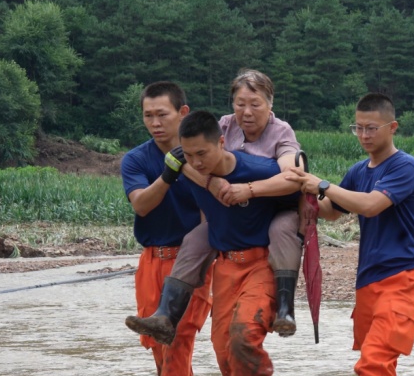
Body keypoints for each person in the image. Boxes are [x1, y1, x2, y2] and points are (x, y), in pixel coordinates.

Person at [289, 92, 414, 376]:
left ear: (392, 127)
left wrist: (323, 185)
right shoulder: (357, 171)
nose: (364, 135)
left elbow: (369, 206)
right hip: (368, 280)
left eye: (371, 128)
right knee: (380, 356)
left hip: (403, 276)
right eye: (358, 128)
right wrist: (305, 192)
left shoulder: (404, 166)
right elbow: (332, 210)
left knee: (375, 358)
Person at [126, 70, 305, 343]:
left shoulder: (281, 132)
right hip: (230, 210)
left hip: (272, 205)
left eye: (255, 104)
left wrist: (248, 189)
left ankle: (285, 310)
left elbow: (292, 176)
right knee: (195, 239)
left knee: (281, 231)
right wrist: (211, 183)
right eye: (240, 104)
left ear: (270, 104)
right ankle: (165, 316)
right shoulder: (224, 126)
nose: (246, 112)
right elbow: (187, 159)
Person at [177, 110, 301, 376]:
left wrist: (250, 190)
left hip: (261, 263)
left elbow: (298, 187)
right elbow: (174, 160)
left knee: (243, 334)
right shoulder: (192, 170)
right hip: (225, 267)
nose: (196, 162)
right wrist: (209, 179)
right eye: (189, 155)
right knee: (222, 347)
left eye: (202, 154)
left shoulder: (260, 170)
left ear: (221, 142)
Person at [120, 82, 212, 376]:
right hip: (152, 259)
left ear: (182, 113)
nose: (155, 123)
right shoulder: (136, 159)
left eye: (162, 114)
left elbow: (210, 213)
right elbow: (141, 205)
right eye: (148, 116)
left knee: (178, 337)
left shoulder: (203, 156)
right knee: (159, 344)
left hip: (191, 259)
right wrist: (168, 174)